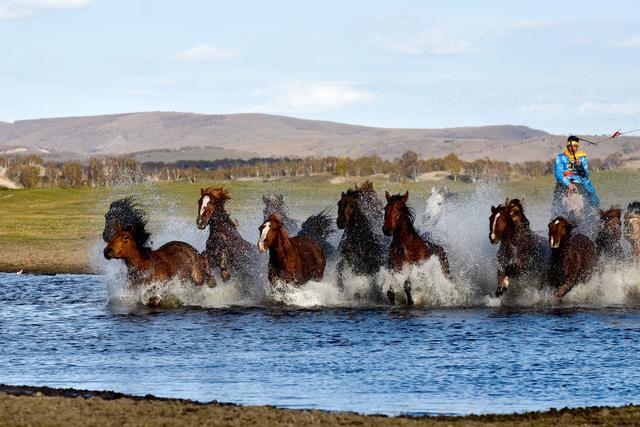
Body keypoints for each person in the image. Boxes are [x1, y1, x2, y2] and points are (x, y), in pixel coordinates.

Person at [552, 135, 600, 214]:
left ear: (577, 146)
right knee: (556, 201)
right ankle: (555, 216)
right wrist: (568, 184)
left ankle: (593, 214)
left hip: (579, 182)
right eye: (570, 146)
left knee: (590, 196)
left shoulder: (581, 158)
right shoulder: (560, 157)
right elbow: (558, 173)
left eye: (575, 146)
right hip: (563, 182)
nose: (572, 148)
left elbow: (585, 174)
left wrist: (580, 166)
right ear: (567, 146)